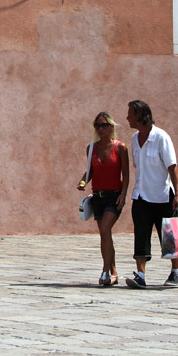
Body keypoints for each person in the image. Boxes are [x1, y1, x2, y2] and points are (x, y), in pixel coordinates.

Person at [124, 99, 178, 288]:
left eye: (130, 114)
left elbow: (173, 168)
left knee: (168, 237)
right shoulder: (135, 139)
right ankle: (141, 275)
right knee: (141, 236)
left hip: (162, 196)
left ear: (140, 116)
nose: (127, 118)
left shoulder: (161, 137)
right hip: (141, 196)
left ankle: (175, 271)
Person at [76, 111, 129, 287]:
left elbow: (126, 174)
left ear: (111, 127)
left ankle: (105, 271)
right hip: (98, 196)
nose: (100, 129)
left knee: (105, 230)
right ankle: (113, 272)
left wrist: (123, 194)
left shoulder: (120, 147)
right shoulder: (91, 148)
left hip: (114, 196)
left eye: (104, 125)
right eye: (97, 125)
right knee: (105, 234)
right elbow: (90, 170)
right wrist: (83, 181)